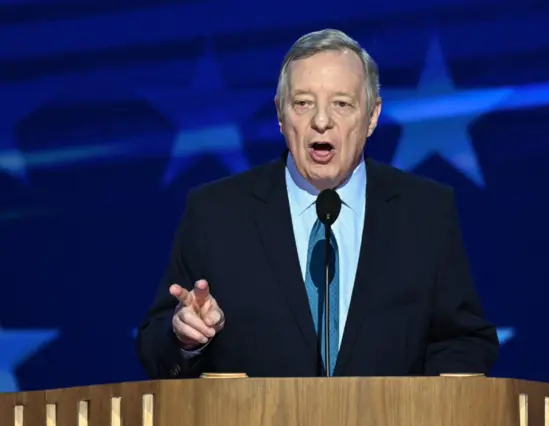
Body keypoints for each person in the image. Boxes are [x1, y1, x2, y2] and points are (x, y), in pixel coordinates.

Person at [136, 29, 499, 379]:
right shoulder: (216, 213)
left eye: (342, 104)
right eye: (303, 103)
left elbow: (463, 340)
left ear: (372, 116)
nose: (321, 121)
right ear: (280, 114)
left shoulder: (425, 211)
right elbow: (155, 350)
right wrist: (185, 339)